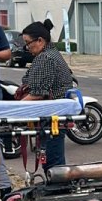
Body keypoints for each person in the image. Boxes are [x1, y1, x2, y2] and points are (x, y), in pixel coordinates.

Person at [19, 21, 73, 169]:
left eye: (28, 43)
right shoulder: (52, 53)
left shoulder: (45, 58)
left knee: (53, 164)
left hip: (52, 117)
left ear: (40, 40)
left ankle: (59, 189)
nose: (26, 47)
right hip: (55, 115)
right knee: (53, 161)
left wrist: (15, 109)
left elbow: (37, 94)